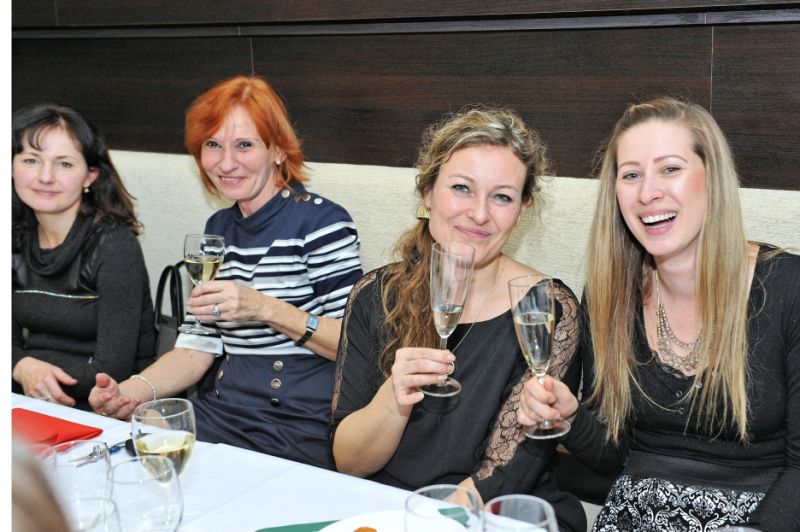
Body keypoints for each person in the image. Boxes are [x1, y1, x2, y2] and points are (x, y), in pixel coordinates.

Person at [518, 97, 800, 531]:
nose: (648, 193)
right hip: (633, 515)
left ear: (713, 178)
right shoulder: (611, 293)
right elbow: (613, 456)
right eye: (631, 175)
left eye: (670, 169)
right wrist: (569, 416)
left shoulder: (788, 287)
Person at [331, 106, 586, 531]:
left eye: (502, 197)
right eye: (462, 188)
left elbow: (503, 474)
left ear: (522, 209)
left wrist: (421, 524)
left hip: (500, 516)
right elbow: (349, 463)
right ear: (427, 192)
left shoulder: (545, 309)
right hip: (388, 509)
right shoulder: (374, 295)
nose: (479, 214)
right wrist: (394, 397)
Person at [89, 76, 362, 469]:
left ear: (277, 150)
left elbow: (354, 344)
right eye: (213, 145)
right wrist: (130, 392)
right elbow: (196, 347)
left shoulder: (321, 223)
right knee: (123, 463)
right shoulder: (217, 228)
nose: (226, 163)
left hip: (299, 420)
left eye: (244, 145)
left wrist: (265, 308)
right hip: (223, 411)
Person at [12, 104, 156, 411]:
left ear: (90, 176)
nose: (45, 177)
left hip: (106, 410)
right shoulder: (13, 235)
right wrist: (22, 366)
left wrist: (32, 373)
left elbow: (112, 372)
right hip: (27, 401)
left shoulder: (114, 244)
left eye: (64, 164)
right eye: (31, 160)